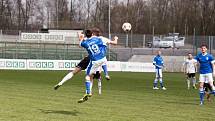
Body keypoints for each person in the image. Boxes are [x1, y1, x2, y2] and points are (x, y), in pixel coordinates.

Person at [78, 28, 118, 103]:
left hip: (95, 61)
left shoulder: (86, 42)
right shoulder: (100, 39)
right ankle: (106, 74)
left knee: (88, 76)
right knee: (99, 69)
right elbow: (114, 43)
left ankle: (89, 92)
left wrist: (80, 37)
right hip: (103, 58)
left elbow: (80, 44)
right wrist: (116, 38)